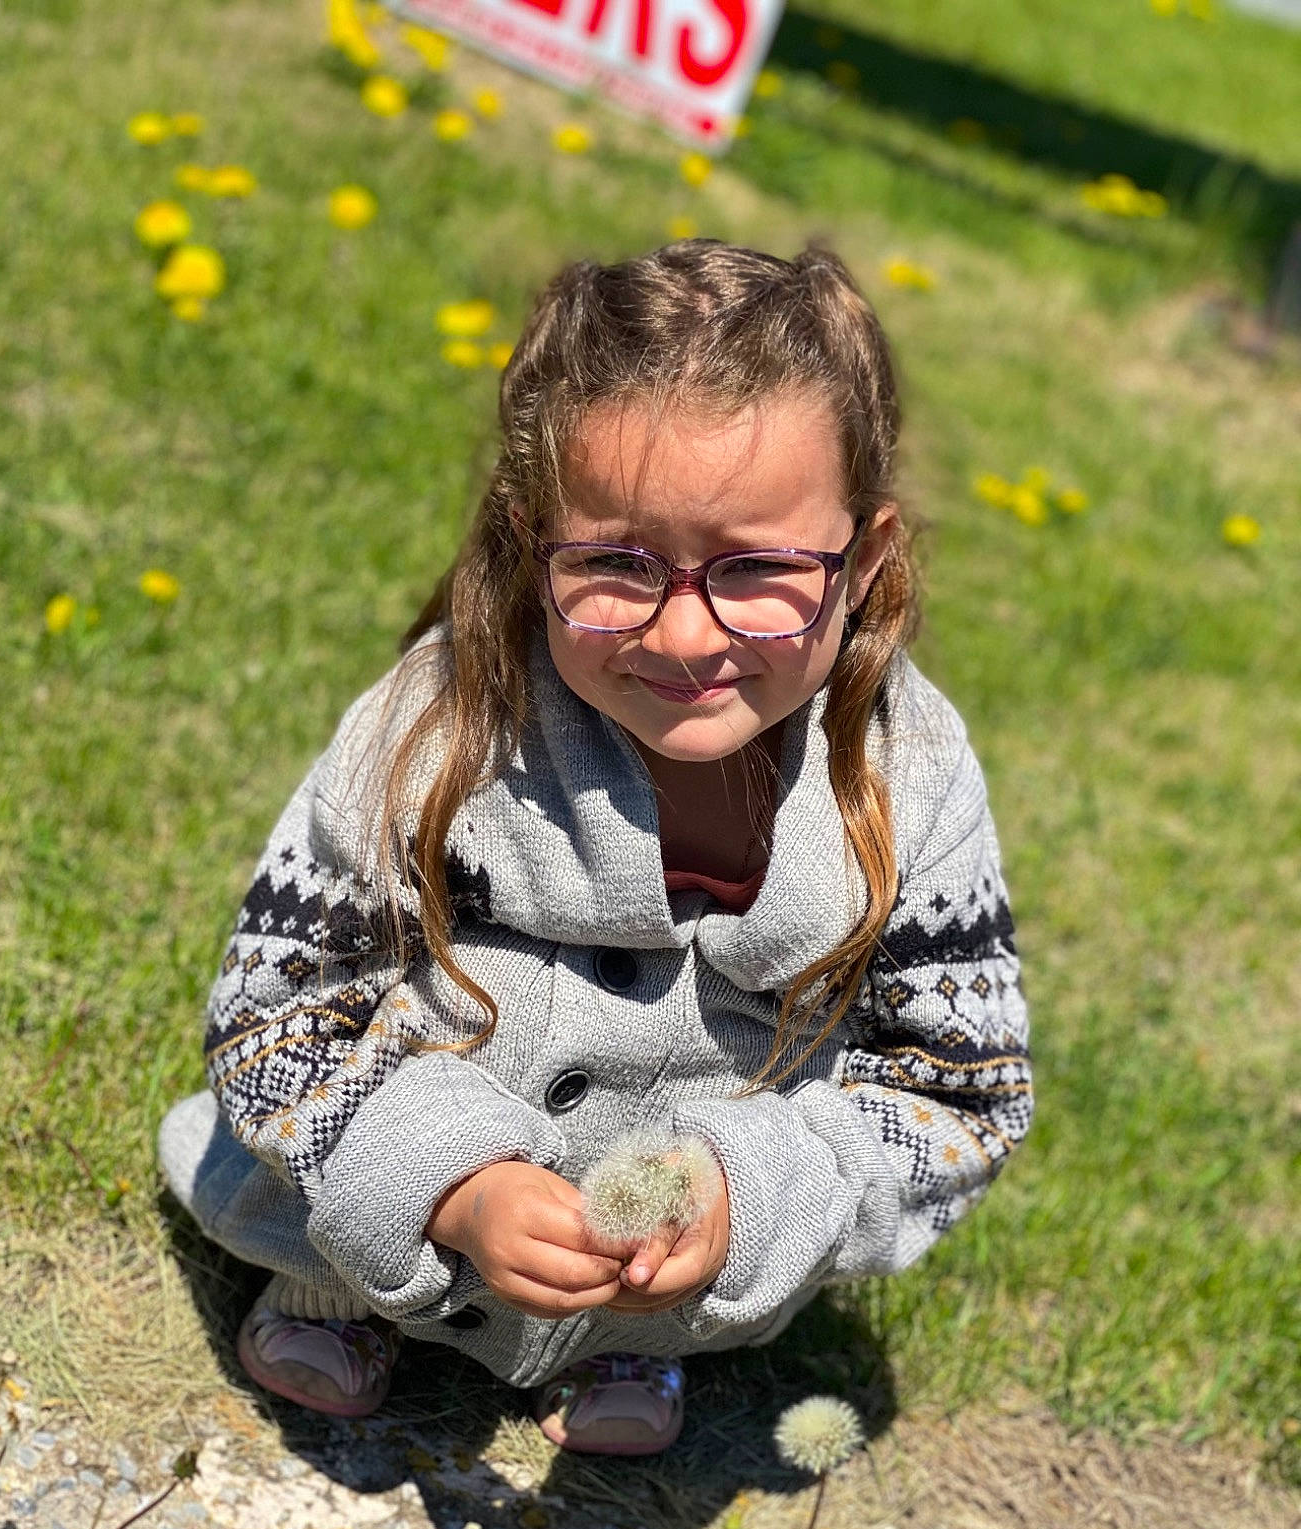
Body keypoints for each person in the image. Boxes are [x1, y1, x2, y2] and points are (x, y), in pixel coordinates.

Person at [159, 239, 1032, 1457]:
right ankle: (341, 1292)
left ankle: (643, 1340)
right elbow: (277, 1015)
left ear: (866, 556)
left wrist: (746, 1194)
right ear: (533, 541)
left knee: (719, 1174)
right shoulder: (445, 721)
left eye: (760, 568)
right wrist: (453, 1184)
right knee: (358, 1192)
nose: (684, 632)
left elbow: (959, 1092)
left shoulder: (909, 775)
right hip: (409, 1187)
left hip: (683, 1244)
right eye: (617, 563)